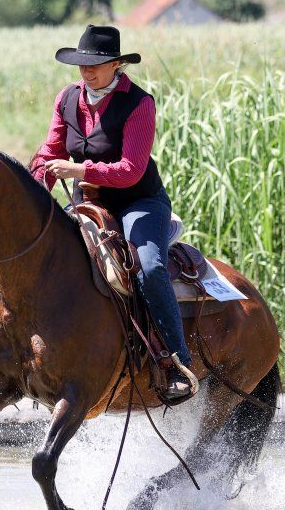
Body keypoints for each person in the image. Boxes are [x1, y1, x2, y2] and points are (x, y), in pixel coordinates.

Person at [29, 24, 197, 405]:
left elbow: (131, 170)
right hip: (89, 202)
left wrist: (78, 170)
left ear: (116, 65)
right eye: (81, 64)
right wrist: (36, 190)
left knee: (149, 267)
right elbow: (49, 153)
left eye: (95, 64)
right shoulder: (67, 99)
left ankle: (176, 363)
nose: (86, 71)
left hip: (138, 202)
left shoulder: (139, 103)